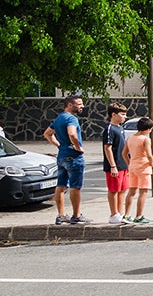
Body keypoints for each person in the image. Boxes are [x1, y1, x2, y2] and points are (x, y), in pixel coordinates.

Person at [43, 94, 90, 224]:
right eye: (79, 104)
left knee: (61, 185)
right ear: (70, 105)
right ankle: (76, 215)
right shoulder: (71, 119)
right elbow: (72, 133)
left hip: (62, 156)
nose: (82, 106)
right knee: (75, 187)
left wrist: (59, 145)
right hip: (74, 157)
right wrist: (78, 147)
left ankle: (61, 214)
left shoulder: (59, 118)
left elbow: (47, 133)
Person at [123, 117, 153, 224]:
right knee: (143, 192)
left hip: (132, 166)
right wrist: (152, 163)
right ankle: (139, 216)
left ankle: (126, 215)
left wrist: (129, 162)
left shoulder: (130, 138)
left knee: (131, 191)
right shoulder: (146, 139)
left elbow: (124, 153)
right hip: (143, 167)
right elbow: (149, 155)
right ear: (148, 129)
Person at [101, 103, 129, 224]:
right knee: (113, 190)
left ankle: (120, 212)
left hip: (123, 165)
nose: (125, 117)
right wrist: (113, 166)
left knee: (122, 189)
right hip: (114, 165)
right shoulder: (109, 129)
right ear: (113, 114)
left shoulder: (120, 128)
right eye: (122, 114)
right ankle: (113, 214)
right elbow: (107, 148)